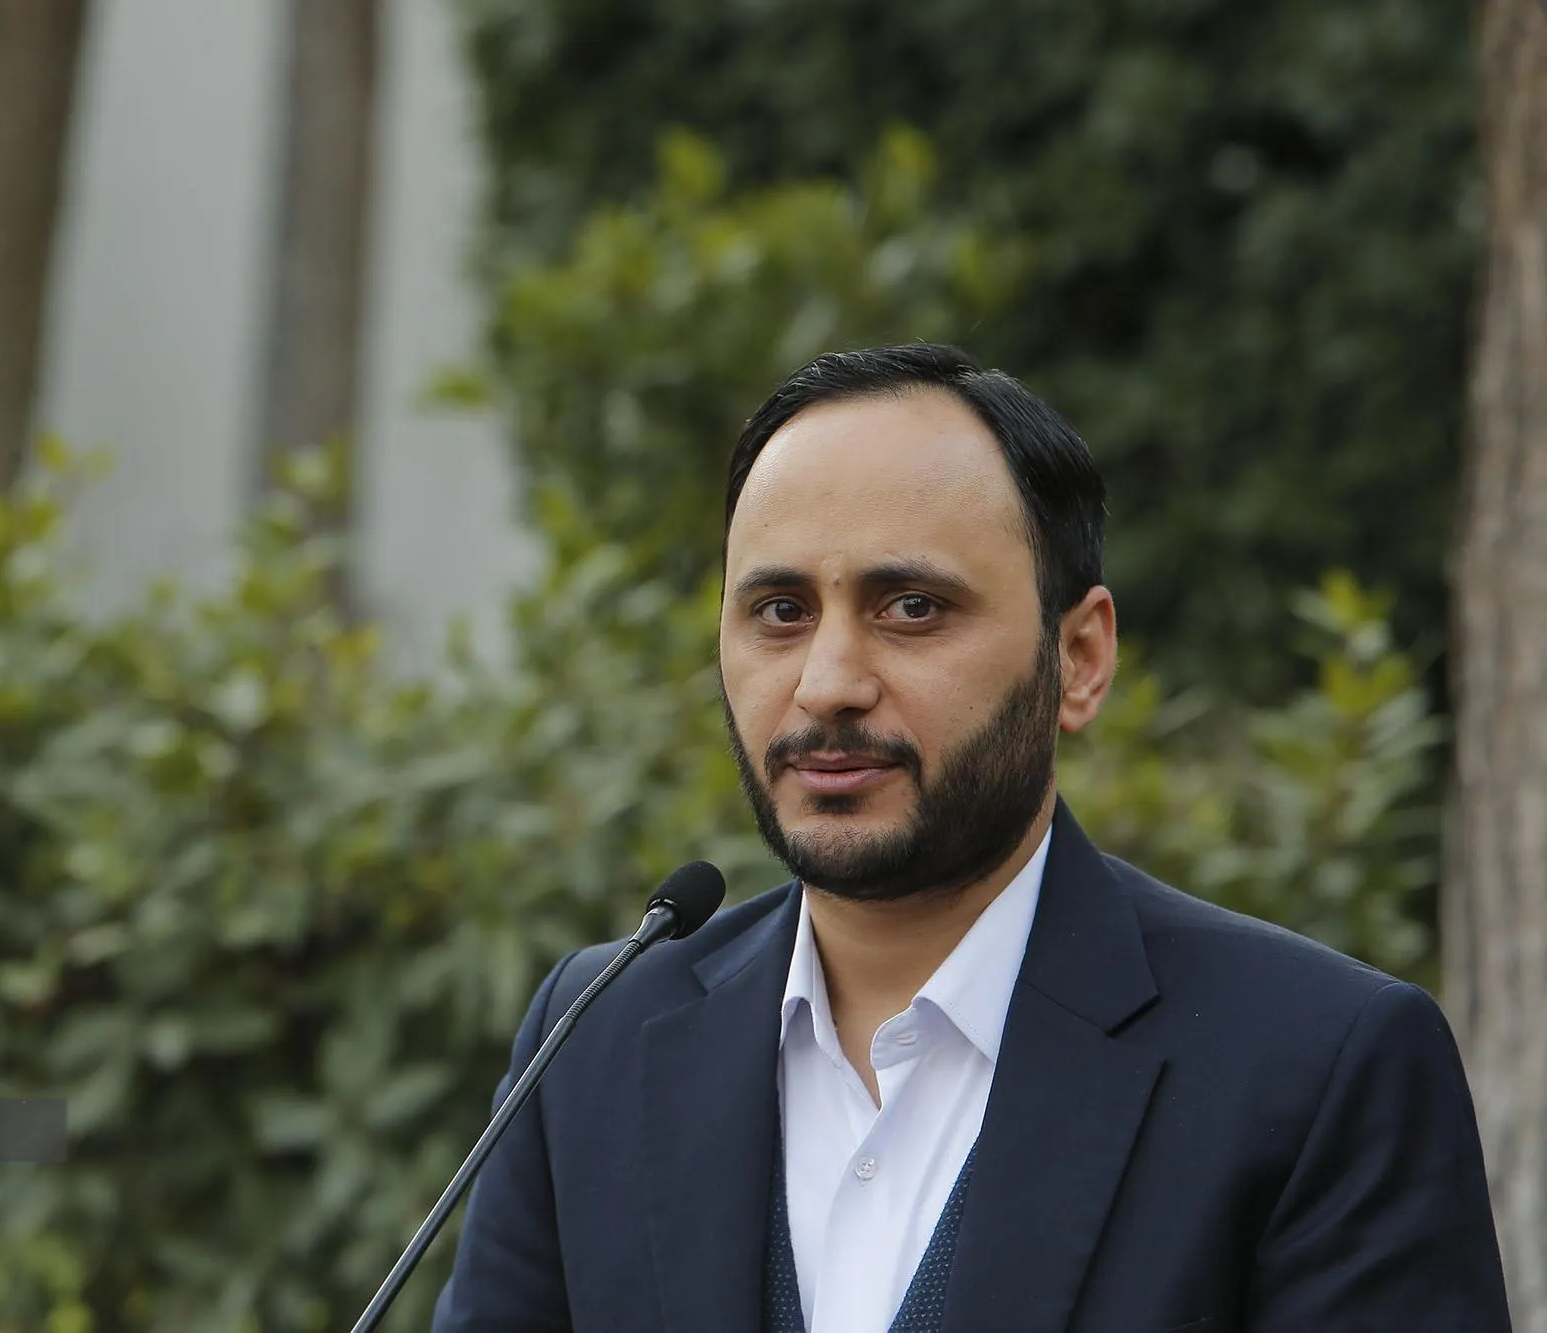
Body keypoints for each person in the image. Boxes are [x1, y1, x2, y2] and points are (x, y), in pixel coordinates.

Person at [429, 344, 1510, 1332]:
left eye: (910, 608)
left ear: (1078, 659)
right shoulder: (595, 1038)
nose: (827, 683)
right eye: (780, 611)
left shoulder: (1315, 1068)